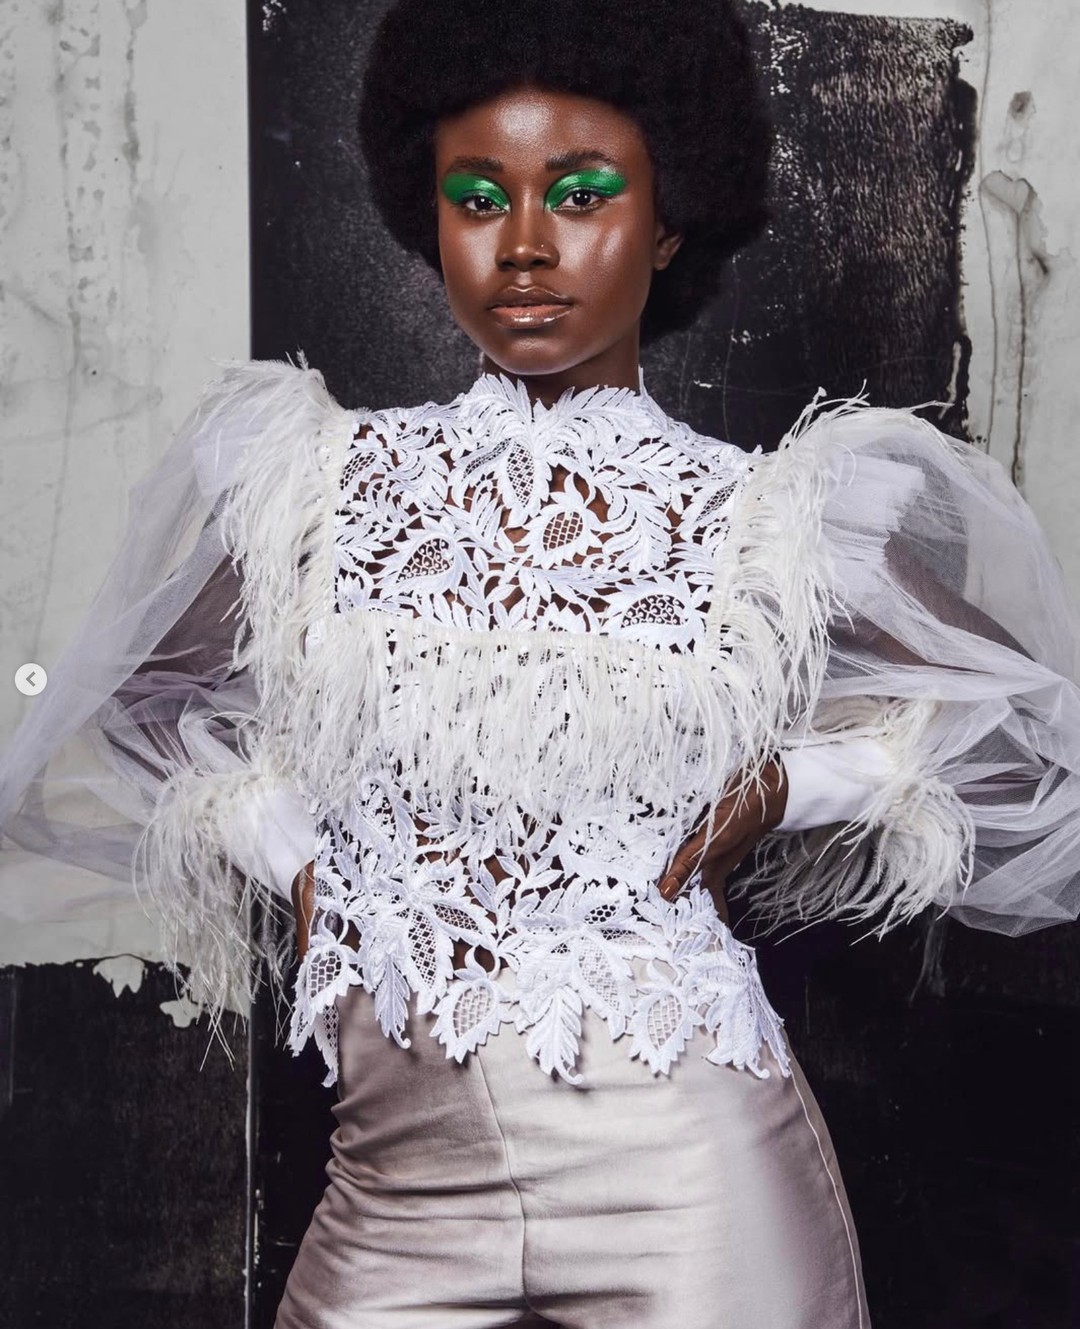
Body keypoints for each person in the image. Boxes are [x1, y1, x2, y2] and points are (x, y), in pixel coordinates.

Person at [3, 0, 1080, 1325]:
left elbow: (1026, 733)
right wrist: (290, 853)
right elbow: (139, 702)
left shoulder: (774, 516)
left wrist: (791, 785)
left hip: (691, 1176)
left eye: (580, 195)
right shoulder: (315, 480)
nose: (522, 243)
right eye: (477, 197)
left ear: (669, 219)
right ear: (430, 217)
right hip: (395, 1183)